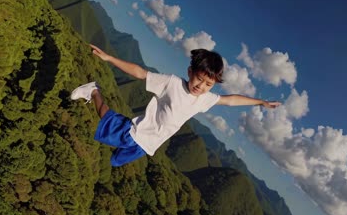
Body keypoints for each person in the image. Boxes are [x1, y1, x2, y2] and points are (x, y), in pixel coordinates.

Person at [71, 44, 281, 167]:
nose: (201, 86)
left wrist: (260, 102)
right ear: (190, 72)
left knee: (114, 161)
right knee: (106, 121)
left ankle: (94, 97)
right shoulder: (171, 83)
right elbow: (140, 73)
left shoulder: (205, 99)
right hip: (135, 131)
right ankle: (93, 90)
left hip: (147, 145)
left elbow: (232, 99)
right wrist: (108, 58)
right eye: (199, 79)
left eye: (209, 84)